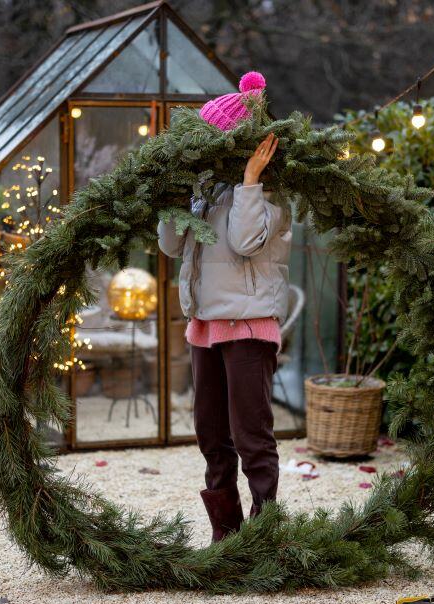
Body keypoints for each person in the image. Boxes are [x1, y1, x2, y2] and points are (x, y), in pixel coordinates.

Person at [157, 72, 293, 542]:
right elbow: (172, 246)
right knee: (212, 436)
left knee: (251, 436)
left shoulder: (271, 195)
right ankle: (226, 536)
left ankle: (264, 535)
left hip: (248, 325)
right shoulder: (205, 190)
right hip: (206, 324)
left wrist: (251, 182)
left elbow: (244, 240)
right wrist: (175, 196)